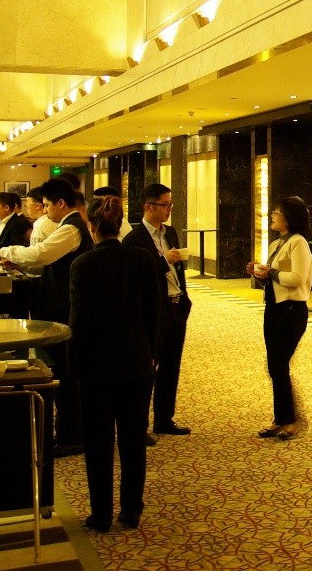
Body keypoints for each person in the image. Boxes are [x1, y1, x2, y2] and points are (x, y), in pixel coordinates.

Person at [68, 195, 160, 532]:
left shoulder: (83, 265)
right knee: (133, 439)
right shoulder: (142, 259)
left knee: (99, 442)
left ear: (91, 226)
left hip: (97, 364)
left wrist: (74, 364)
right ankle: (132, 509)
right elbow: (154, 312)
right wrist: (152, 353)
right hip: (137, 360)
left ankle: (102, 513)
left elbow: (80, 321)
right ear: (120, 225)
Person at [0, 178, 94, 455]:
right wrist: (15, 261)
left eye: (46, 205)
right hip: (58, 303)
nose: (45, 211)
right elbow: (44, 262)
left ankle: (72, 435)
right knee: (62, 370)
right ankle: (69, 431)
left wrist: (4, 251)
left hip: (64, 306)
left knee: (66, 373)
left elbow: (41, 254)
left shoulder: (71, 229)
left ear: (60, 203)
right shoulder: (66, 227)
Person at [124, 183, 193, 441]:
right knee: (146, 369)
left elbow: (177, 271)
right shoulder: (134, 238)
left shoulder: (170, 233)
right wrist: (165, 260)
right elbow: (138, 276)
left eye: (170, 205)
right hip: (154, 311)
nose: (169, 210)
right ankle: (138, 425)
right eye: (165, 205)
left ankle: (164, 418)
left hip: (176, 306)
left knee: (171, 367)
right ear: (148, 207)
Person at [247, 196, 312, 440]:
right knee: (275, 365)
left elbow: (297, 278)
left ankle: (291, 420)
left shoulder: (299, 243)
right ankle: (282, 418)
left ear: (290, 217)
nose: (273, 215)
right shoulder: (277, 243)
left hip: (292, 311)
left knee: (278, 364)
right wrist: (260, 275)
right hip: (274, 309)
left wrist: (271, 272)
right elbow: (274, 278)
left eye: (277, 212)